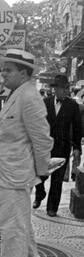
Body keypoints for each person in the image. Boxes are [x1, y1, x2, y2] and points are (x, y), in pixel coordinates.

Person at [0, 49, 53, 257]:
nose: (3, 74)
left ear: (24, 73)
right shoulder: (18, 93)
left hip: (16, 174)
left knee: (12, 225)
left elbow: (42, 139)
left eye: (8, 70)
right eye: (2, 69)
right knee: (19, 221)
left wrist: (41, 172)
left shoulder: (29, 97)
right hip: (8, 171)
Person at [33, 74, 82, 216]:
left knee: (57, 179)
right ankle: (39, 194)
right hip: (45, 148)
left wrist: (77, 147)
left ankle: (52, 208)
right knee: (40, 176)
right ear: (55, 89)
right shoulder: (45, 103)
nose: (64, 91)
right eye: (62, 88)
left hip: (63, 147)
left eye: (66, 88)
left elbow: (77, 128)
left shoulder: (73, 106)